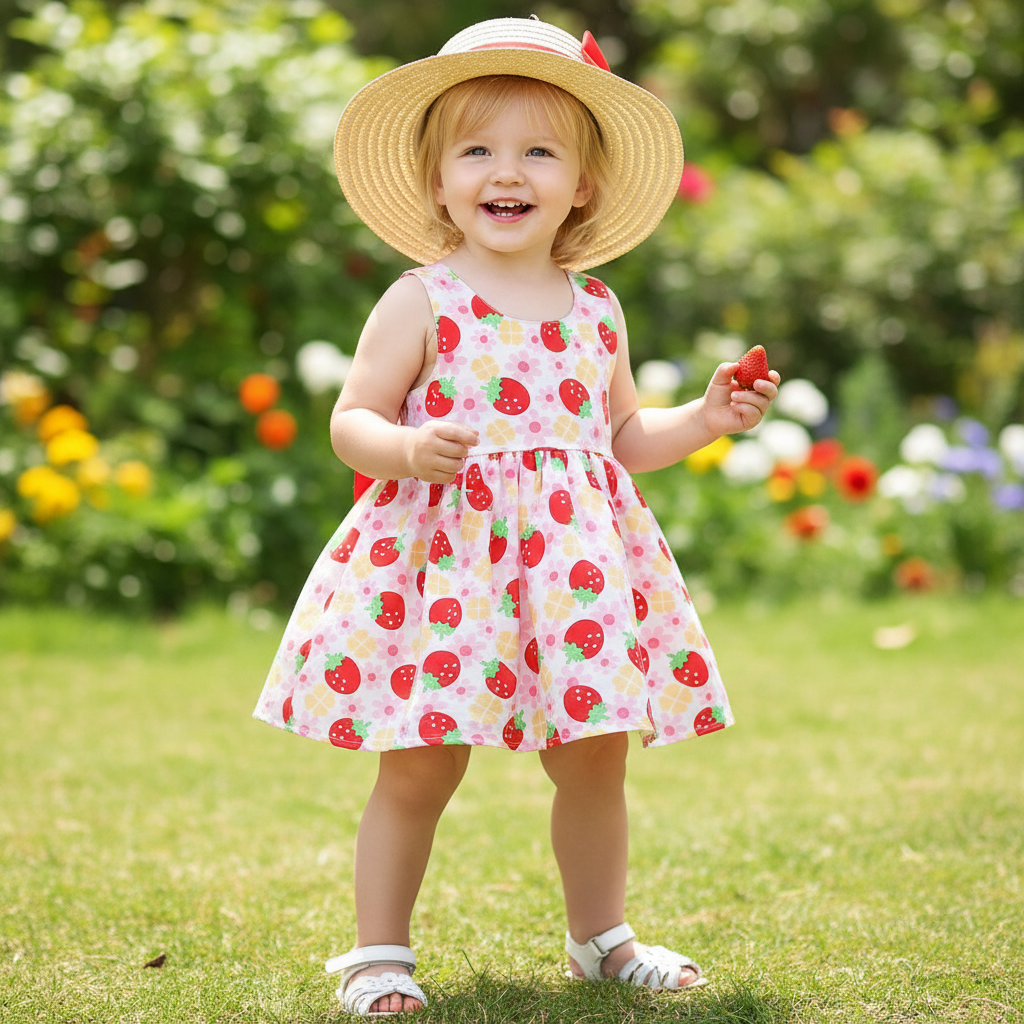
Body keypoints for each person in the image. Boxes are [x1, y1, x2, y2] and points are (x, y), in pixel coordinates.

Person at [252, 16, 780, 1017]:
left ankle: (601, 935)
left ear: (581, 183)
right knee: (419, 761)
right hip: (450, 565)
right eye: (478, 150)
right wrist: (407, 448)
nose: (508, 171)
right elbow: (349, 418)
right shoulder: (424, 299)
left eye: (539, 150)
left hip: (571, 570)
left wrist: (704, 419)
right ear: (438, 178)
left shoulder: (596, 309)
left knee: (593, 756)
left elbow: (619, 438)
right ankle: (377, 954)